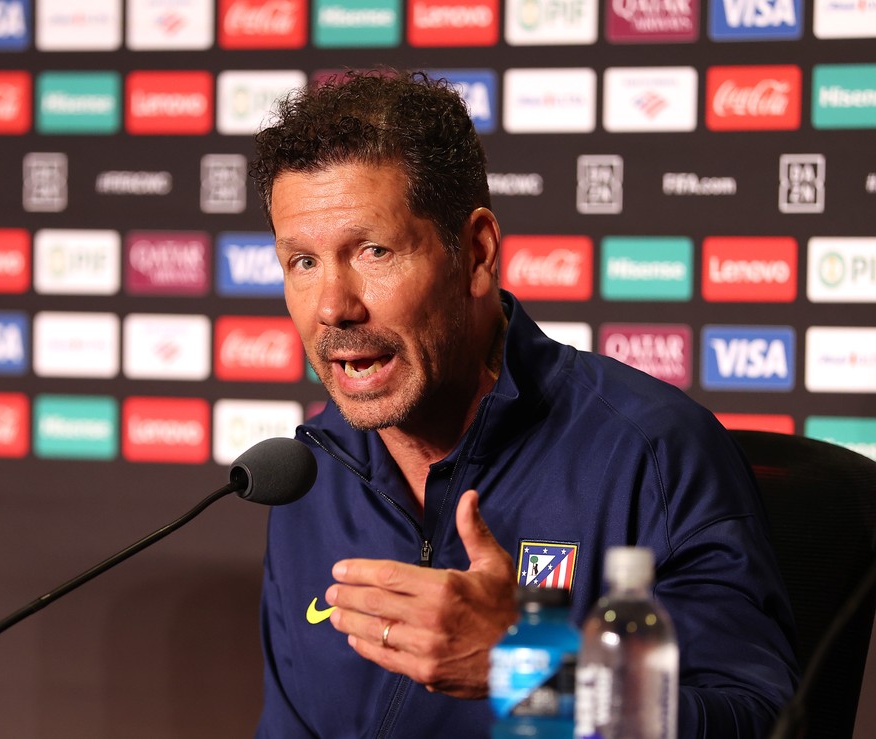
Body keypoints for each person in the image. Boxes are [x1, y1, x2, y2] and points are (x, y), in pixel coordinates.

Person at [251, 70, 798, 738]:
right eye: (302, 261)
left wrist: (535, 670)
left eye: (374, 250)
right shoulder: (311, 473)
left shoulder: (652, 453)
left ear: (476, 254)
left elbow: (764, 723)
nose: (333, 304)